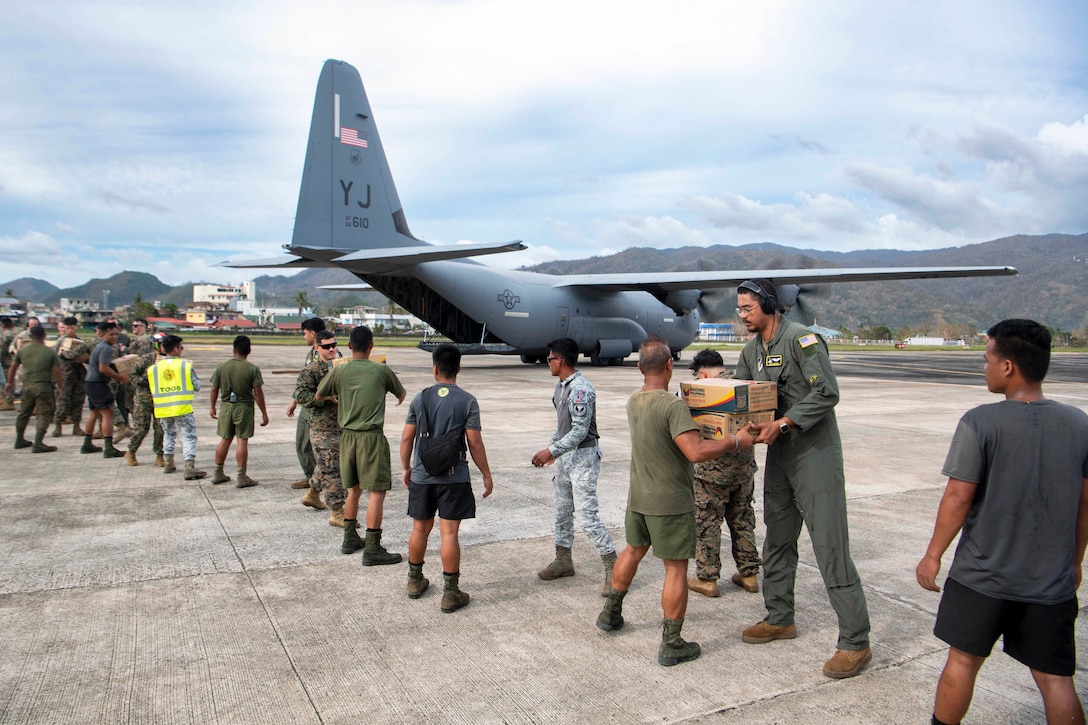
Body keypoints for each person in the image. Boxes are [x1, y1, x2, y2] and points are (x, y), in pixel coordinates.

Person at [916, 319, 1088, 725]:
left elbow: (958, 497)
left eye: (987, 358)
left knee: (962, 662)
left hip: (982, 577)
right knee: (1055, 679)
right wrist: (1075, 561)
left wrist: (933, 555)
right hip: (1051, 582)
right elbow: (1085, 505)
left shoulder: (980, 422)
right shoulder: (1080, 424)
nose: (984, 367)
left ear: (1008, 366)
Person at [734, 279, 872, 679]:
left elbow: (827, 392)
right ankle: (780, 618)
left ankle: (855, 641)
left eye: (747, 308)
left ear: (769, 306)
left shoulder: (803, 340)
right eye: (739, 309)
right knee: (777, 537)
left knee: (830, 545)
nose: (741, 315)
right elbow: (741, 394)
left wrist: (785, 421)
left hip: (814, 455)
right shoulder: (751, 350)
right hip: (780, 457)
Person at [596, 336, 754, 667]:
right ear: (670, 365)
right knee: (676, 569)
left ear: (640, 367)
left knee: (633, 551)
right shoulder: (673, 406)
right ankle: (672, 642)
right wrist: (734, 441)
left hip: (638, 497)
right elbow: (695, 452)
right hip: (670, 501)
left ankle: (611, 614)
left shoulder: (634, 400)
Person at [400, 344, 495, 612]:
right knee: (449, 532)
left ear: (434, 369)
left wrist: (406, 467)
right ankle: (451, 592)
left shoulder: (420, 398)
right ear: (459, 369)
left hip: (423, 474)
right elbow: (474, 442)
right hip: (454, 477)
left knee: (420, 528)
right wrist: (486, 474)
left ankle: (414, 581)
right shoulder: (467, 400)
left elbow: (407, 437)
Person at [531, 337, 617, 596]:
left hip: (583, 459)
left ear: (561, 360)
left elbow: (580, 431)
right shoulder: (560, 387)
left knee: (588, 516)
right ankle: (563, 560)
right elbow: (562, 428)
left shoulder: (580, 389)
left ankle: (614, 568)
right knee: (562, 512)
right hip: (567, 458)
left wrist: (551, 451)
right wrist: (552, 449)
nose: (548, 363)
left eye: (550, 359)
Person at [316, 325, 406, 564]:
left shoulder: (340, 371)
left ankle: (350, 538)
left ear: (349, 347)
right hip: (371, 437)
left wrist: (336, 397)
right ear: (372, 346)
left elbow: (319, 393)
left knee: (353, 489)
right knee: (376, 492)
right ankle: (373, 548)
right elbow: (401, 394)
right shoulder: (380, 370)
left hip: (347, 437)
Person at [685, 349, 762, 598]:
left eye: (698, 376)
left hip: (711, 473)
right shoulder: (744, 386)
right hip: (743, 470)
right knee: (742, 519)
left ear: (703, 372)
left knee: (708, 523)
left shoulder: (705, 392)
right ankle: (749, 574)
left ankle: (707, 579)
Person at [294, 330, 347, 526]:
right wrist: (323, 397)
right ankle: (337, 511)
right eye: (326, 346)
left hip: (341, 425)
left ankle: (312, 494)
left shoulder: (342, 366)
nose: (332, 349)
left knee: (325, 465)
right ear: (317, 348)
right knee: (333, 470)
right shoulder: (312, 370)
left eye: (334, 345)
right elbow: (300, 396)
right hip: (322, 428)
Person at [209, 335, 269, 488]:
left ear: (233, 349)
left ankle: (218, 472)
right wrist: (264, 413)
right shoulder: (252, 369)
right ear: (249, 350)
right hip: (244, 407)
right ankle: (241, 476)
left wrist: (212, 406)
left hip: (226, 406)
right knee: (242, 440)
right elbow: (258, 393)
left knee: (225, 439)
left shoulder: (221, 366)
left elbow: (214, 389)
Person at [148, 334, 207, 480]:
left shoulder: (153, 368)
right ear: (175, 349)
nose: (182, 349)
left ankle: (168, 462)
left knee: (169, 433)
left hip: (162, 409)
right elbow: (197, 386)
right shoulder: (185, 365)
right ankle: (189, 466)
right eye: (180, 347)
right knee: (188, 436)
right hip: (181, 408)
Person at [3, 325, 62, 452]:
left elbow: (13, 367)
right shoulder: (50, 351)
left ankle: (19, 439)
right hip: (44, 386)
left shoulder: (23, 350)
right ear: (44, 336)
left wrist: (9, 382)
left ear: (30, 336)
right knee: (44, 414)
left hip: (27, 386)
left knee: (24, 413)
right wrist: (60, 387)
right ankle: (38, 442)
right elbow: (57, 371)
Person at [286, 317, 326, 489]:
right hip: (308, 403)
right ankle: (312, 477)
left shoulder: (328, 353)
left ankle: (321, 478)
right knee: (303, 443)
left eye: (305, 333)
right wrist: (294, 401)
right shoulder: (311, 355)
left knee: (322, 445)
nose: (304, 337)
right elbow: (304, 381)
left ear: (312, 333)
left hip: (320, 405)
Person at [81, 320, 129, 458]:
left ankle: (87, 443)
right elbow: (103, 369)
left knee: (94, 413)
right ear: (102, 334)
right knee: (107, 414)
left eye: (116, 334)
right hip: (98, 384)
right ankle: (108, 447)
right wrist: (121, 378)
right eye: (111, 334)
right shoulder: (106, 348)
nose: (114, 337)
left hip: (91, 382)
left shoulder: (100, 346)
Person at [124, 330, 166, 467]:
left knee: (160, 429)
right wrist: (147, 380)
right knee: (141, 428)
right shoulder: (145, 359)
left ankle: (159, 455)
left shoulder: (169, 361)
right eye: (163, 344)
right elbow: (132, 377)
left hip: (161, 399)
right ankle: (131, 450)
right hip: (144, 399)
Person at [52, 318, 92, 437]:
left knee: (78, 401)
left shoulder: (81, 341)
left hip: (78, 375)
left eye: (72, 328)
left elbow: (88, 356)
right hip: (65, 375)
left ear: (76, 327)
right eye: (67, 328)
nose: (69, 330)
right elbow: (55, 358)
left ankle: (76, 426)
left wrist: (84, 358)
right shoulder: (61, 341)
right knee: (63, 401)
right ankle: (58, 425)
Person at [0, 317, 15, 410]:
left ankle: (9, 401)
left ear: (3, 325)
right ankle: (7, 400)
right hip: (12, 359)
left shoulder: (6, 335)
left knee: (8, 380)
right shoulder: (13, 334)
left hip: (6, 360)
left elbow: (3, 349)